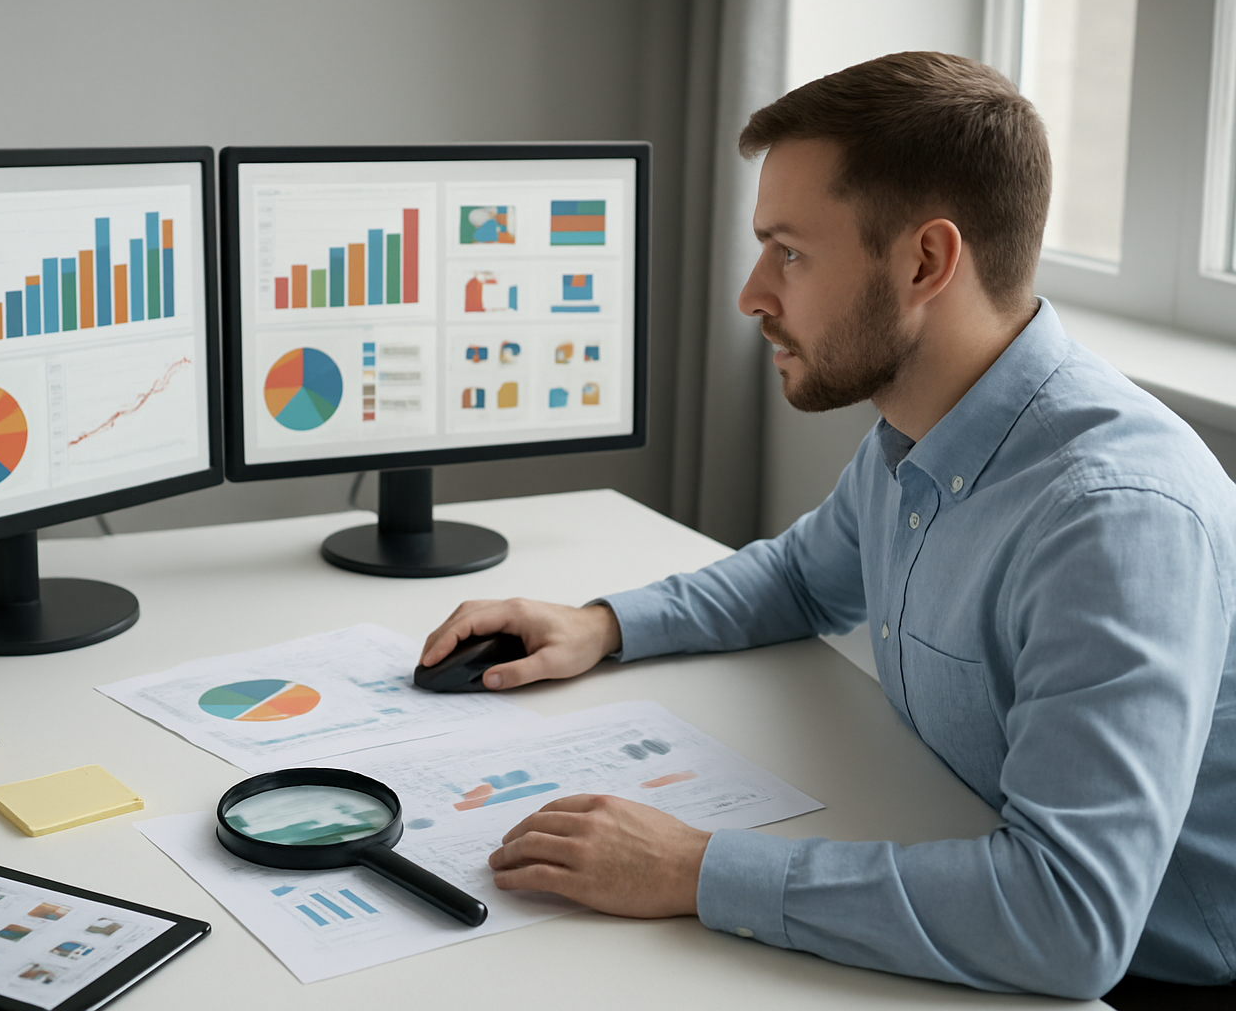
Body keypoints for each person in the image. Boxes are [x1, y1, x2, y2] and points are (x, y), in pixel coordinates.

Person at [419, 52, 1236, 1004]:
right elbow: (803, 579)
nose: (753, 294)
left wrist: (693, 869)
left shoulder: (1112, 521)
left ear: (927, 261)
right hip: (971, 868)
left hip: (1142, 975)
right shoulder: (922, 426)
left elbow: (1069, 921)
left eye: (790, 252)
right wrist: (600, 624)